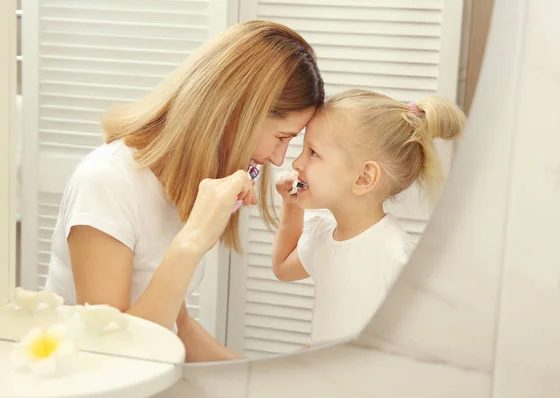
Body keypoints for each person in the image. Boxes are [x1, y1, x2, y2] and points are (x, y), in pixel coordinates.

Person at [44, 20, 324, 362]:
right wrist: (192, 240)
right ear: (234, 114)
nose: (280, 158)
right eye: (282, 137)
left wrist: (268, 377)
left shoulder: (177, 183)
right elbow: (109, 356)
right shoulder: (106, 182)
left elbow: (180, 329)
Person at [272, 89, 466, 346]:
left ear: (364, 178)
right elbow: (283, 267)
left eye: (313, 153)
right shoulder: (322, 237)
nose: (296, 162)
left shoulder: (396, 257)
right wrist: (292, 205)